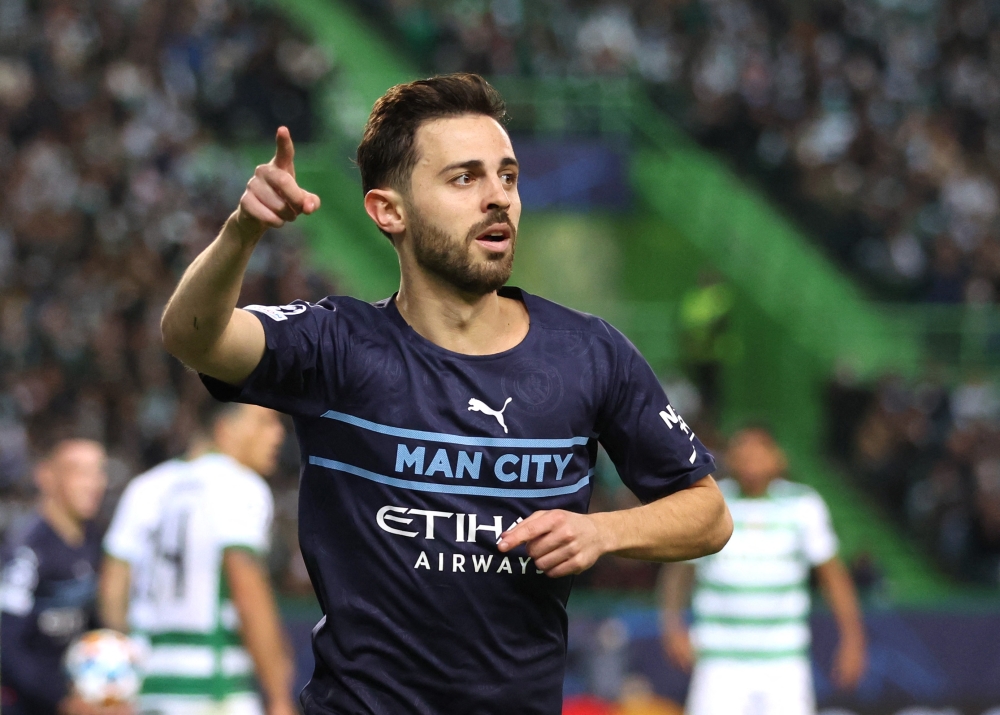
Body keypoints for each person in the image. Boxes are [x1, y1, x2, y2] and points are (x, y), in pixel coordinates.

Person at [159, 72, 734, 714]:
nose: (499, 199)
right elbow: (191, 337)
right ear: (389, 211)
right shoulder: (338, 346)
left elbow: (708, 513)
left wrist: (603, 532)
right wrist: (243, 229)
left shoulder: (590, 353)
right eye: (465, 178)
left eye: (508, 176)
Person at [99, 402, 295, 715]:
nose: (278, 434)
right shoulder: (241, 486)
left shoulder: (145, 487)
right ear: (225, 430)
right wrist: (279, 695)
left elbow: (112, 592)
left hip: (148, 690)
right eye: (264, 422)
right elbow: (247, 591)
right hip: (215, 689)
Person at [660, 425, 867, 715]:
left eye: (758, 453)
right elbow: (679, 571)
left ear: (777, 459)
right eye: (743, 453)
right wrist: (672, 625)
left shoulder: (803, 506)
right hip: (719, 664)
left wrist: (853, 640)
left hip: (784, 666)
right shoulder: (711, 504)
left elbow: (833, 577)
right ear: (729, 458)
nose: (750, 461)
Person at [0, 436, 126, 715]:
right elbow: (7, 645)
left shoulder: (97, 539)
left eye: (99, 471)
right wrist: (63, 702)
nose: (94, 483)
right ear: (46, 477)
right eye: (80, 471)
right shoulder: (26, 551)